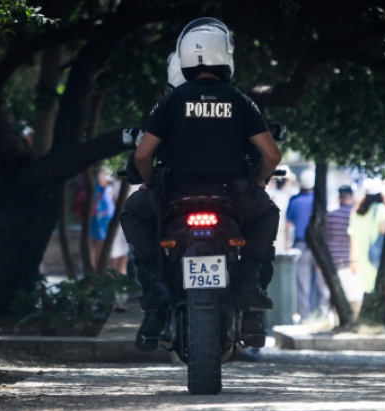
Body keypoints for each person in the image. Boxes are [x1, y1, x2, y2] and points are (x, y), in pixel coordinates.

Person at [121, 18, 282, 352]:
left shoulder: (170, 102)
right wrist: (257, 182)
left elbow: (142, 156)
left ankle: (155, 288)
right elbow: (271, 154)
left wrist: (150, 185)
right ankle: (251, 285)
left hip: (174, 198)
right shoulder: (241, 102)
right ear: (226, 55)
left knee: (133, 214)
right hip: (233, 197)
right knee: (267, 215)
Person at [286, 169, 329, 319]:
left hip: (301, 246)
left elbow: (289, 224)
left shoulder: (295, 201)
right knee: (321, 285)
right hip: (320, 247)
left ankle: (305, 317)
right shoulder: (322, 202)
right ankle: (321, 315)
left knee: (302, 285)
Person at [348, 180, 385, 297]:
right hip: (376, 258)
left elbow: (352, 239)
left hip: (361, 259)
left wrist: (353, 261)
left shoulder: (356, 212)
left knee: (366, 292)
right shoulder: (380, 208)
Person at [326, 184, 360, 312]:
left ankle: (336, 316)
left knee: (336, 291)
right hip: (351, 259)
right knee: (353, 293)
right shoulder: (355, 214)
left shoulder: (330, 213)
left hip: (333, 258)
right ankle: (354, 318)